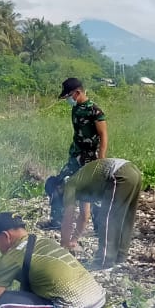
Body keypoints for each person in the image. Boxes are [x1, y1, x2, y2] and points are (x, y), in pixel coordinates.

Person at [43, 78, 108, 230]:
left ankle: (101, 228)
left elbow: (103, 135)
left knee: (94, 193)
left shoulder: (95, 111)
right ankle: (57, 221)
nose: (68, 100)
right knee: (56, 184)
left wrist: (101, 159)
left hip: (90, 158)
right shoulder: (76, 108)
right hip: (75, 157)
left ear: (77, 92)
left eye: (69, 96)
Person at [59, 157, 143, 268]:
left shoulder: (69, 185)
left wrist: (64, 246)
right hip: (134, 172)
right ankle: (120, 257)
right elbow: (84, 216)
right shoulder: (80, 181)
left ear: (58, 187)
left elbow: (68, 219)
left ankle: (104, 260)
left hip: (118, 174)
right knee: (126, 216)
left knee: (107, 218)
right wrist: (73, 240)